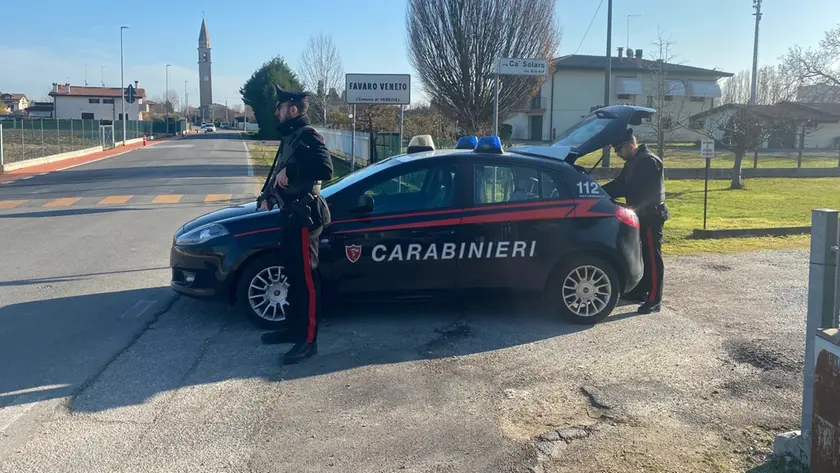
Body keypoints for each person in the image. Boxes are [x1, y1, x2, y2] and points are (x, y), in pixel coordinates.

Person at [258, 84, 334, 364]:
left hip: (304, 218)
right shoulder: (290, 138)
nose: (276, 112)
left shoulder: (308, 136)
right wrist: (268, 196)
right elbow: (279, 172)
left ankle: (308, 340)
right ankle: (293, 328)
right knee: (292, 276)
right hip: (290, 215)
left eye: (279, 108)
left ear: (292, 109)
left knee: (306, 280)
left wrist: (293, 170)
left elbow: (326, 169)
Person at [601, 129, 669, 314]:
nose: (617, 154)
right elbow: (618, 184)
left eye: (619, 150)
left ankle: (654, 299)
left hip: (651, 216)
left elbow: (627, 187)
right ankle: (640, 291)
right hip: (641, 215)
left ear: (631, 146)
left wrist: (601, 193)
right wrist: (597, 191)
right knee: (642, 254)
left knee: (652, 257)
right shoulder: (634, 162)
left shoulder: (647, 161)